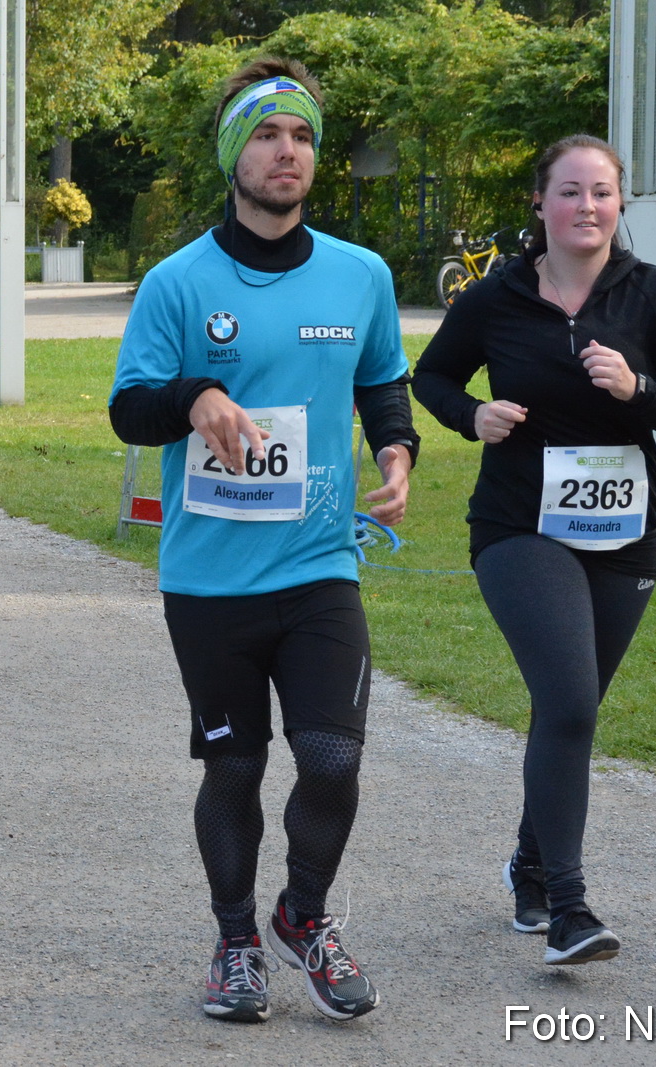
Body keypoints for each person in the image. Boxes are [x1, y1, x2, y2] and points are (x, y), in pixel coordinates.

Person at [109, 57, 416, 1025]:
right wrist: (195, 395)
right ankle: (235, 942)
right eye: (268, 134)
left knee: (330, 759)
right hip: (208, 579)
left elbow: (381, 383)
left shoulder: (359, 275)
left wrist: (398, 454)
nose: (288, 152)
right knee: (234, 767)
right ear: (233, 153)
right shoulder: (177, 283)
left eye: (304, 137)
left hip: (320, 563)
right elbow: (128, 410)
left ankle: (304, 917)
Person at [411, 134, 656, 967]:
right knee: (572, 700)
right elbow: (430, 377)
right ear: (540, 205)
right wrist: (470, 415)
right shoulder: (496, 296)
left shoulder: (655, 296)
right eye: (571, 192)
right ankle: (571, 911)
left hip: (623, 535)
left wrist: (638, 390)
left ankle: (532, 864)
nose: (588, 207)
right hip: (520, 528)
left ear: (620, 206)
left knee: (567, 712)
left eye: (603, 193)